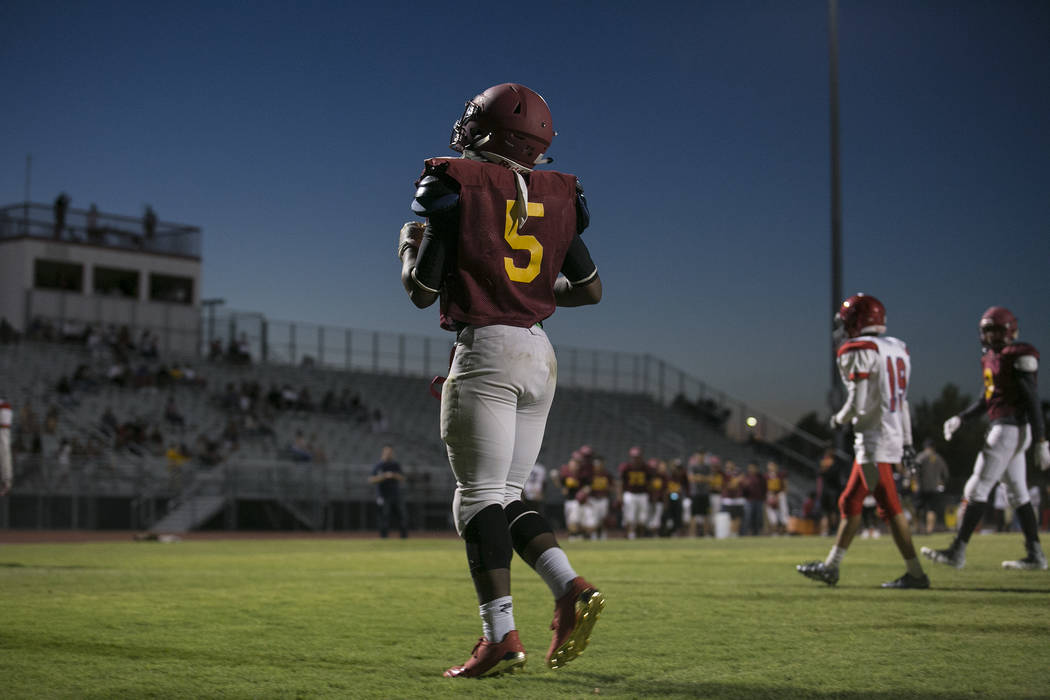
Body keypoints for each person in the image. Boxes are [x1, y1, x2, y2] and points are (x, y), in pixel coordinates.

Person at [397, 83, 605, 678]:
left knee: (477, 498)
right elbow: (590, 291)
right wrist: (536, 294)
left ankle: (500, 637)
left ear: (489, 133)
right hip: (539, 352)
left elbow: (423, 293)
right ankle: (568, 587)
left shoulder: (455, 185)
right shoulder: (562, 196)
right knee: (507, 495)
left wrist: (407, 250)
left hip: (486, 347)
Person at [796, 293, 930, 589]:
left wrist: (837, 420)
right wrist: (907, 442)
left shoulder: (858, 349)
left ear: (857, 321)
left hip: (873, 438)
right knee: (851, 500)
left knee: (888, 505)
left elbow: (857, 402)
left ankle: (917, 574)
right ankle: (831, 567)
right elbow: (902, 402)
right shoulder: (897, 348)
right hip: (891, 432)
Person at [923, 306, 1050, 570]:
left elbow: (1032, 401)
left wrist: (1041, 440)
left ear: (1008, 330)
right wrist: (962, 418)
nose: (989, 335)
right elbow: (986, 399)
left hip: (1009, 430)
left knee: (976, 488)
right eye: (986, 330)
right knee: (1017, 493)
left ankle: (957, 551)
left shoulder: (1017, 356)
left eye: (994, 329)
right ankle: (1036, 554)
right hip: (1007, 429)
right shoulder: (992, 358)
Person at [369, 445, 408, 539]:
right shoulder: (379, 466)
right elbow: (371, 480)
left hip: (396, 495)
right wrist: (384, 476)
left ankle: (404, 537)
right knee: (384, 517)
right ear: (383, 453)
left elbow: (403, 478)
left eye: (390, 453)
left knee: (402, 516)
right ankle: (384, 537)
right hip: (383, 496)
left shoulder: (395, 465)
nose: (389, 454)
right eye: (387, 452)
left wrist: (394, 475)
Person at [913, 439, 950, 534]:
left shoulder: (921, 457)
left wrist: (915, 482)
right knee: (931, 509)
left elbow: (914, 470)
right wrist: (942, 482)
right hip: (934, 488)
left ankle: (917, 528)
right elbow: (945, 473)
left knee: (918, 508)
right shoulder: (938, 458)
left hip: (921, 486)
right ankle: (929, 530)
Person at [618, 446, 650, 540]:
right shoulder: (626, 467)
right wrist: (620, 495)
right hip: (630, 494)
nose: (636, 460)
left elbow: (650, 482)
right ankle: (629, 535)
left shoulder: (646, 468)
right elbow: (620, 482)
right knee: (629, 517)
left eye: (637, 457)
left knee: (642, 519)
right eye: (634, 457)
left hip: (642, 494)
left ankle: (639, 536)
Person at [764, 460, 789, 535]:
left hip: (780, 495)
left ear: (776, 466)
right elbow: (764, 488)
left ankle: (785, 531)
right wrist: (768, 496)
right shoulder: (766, 476)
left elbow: (785, 487)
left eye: (772, 465)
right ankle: (775, 532)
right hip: (770, 496)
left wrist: (779, 496)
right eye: (770, 465)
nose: (771, 467)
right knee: (772, 514)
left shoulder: (781, 475)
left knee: (783, 513)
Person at [1, 395, 13, 496]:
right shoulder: (5, 406)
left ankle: (6, 482)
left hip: (3, 433)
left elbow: (5, 426)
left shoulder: (5, 407)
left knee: (4, 453)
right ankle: (6, 482)